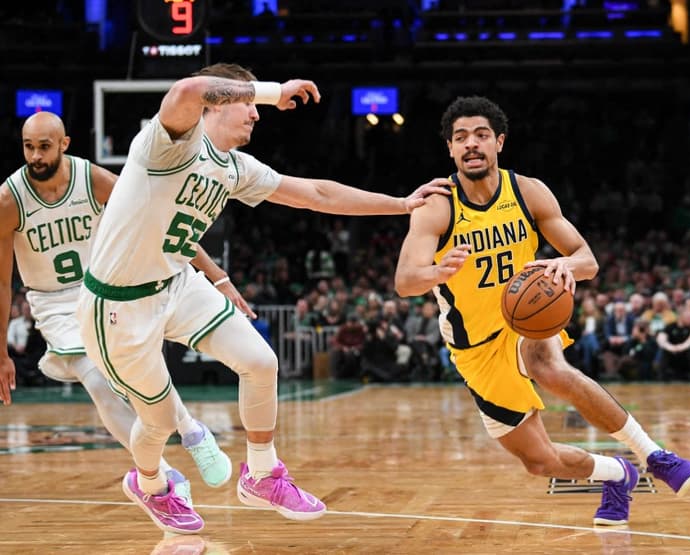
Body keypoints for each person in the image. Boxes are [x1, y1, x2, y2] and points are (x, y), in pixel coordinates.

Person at [74, 63, 450, 534]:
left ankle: (261, 474)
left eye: (256, 105)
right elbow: (188, 87)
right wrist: (274, 90)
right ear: (216, 104)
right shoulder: (168, 144)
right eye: (246, 105)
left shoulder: (235, 168)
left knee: (261, 361)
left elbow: (316, 194)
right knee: (158, 421)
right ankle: (149, 484)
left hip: (175, 283)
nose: (256, 114)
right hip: (118, 305)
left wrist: (401, 204)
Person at [393, 95, 690, 527]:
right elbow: (405, 281)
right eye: (460, 137)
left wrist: (565, 264)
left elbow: (587, 260)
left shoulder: (527, 191)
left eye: (481, 135)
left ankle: (655, 455)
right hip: (476, 347)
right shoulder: (438, 205)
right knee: (539, 462)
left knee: (549, 366)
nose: (471, 144)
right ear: (450, 148)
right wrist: (436, 271)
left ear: (499, 141)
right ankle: (619, 474)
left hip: (527, 319)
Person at [0, 111, 243, 506]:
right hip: (54, 304)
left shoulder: (91, 179)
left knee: (135, 375)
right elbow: (1, 281)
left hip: (105, 287)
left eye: (44, 147)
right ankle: (163, 475)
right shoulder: (9, 199)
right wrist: (1, 352)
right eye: (28, 147)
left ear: (64, 144)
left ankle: (191, 430)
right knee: (98, 383)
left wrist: (215, 273)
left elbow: (158, 218)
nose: (35, 156)